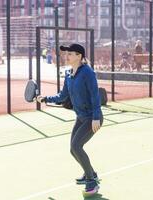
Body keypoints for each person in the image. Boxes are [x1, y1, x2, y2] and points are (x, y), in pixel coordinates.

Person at [36, 43, 103, 195]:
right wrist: (45, 98)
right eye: (67, 54)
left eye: (71, 54)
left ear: (79, 56)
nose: (67, 56)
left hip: (92, 117)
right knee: (73, 150)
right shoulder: (68, 74)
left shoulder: (88, 72)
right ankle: (91, 173)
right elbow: (62, 96)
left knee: (77, 146)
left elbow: (95, 95)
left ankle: (92, 182)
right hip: (80, 117)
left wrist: (96, 117)